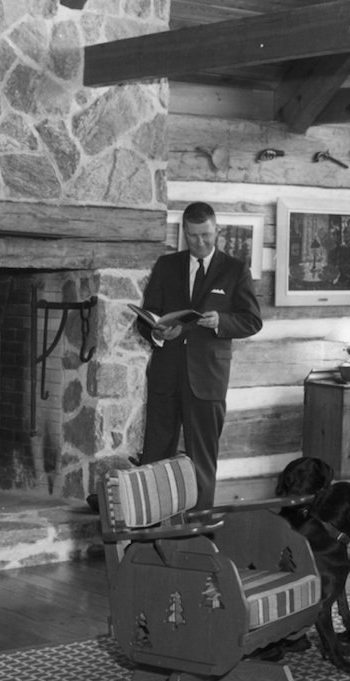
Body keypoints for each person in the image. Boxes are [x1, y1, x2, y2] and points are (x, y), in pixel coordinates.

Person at [137, 202, 262, 512]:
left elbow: (252, 320)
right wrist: (156, 332)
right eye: (192, 236)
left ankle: (198, 539)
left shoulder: (235, 270)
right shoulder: (167, 266)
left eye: (206, 235)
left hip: (208, 378)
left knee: (201, 461)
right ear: (184, 233)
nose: (200, 242)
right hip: (166, 374)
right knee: (154, 455)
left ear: (216, 230)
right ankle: (151, 531)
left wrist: (221, 321)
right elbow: (146, 316)